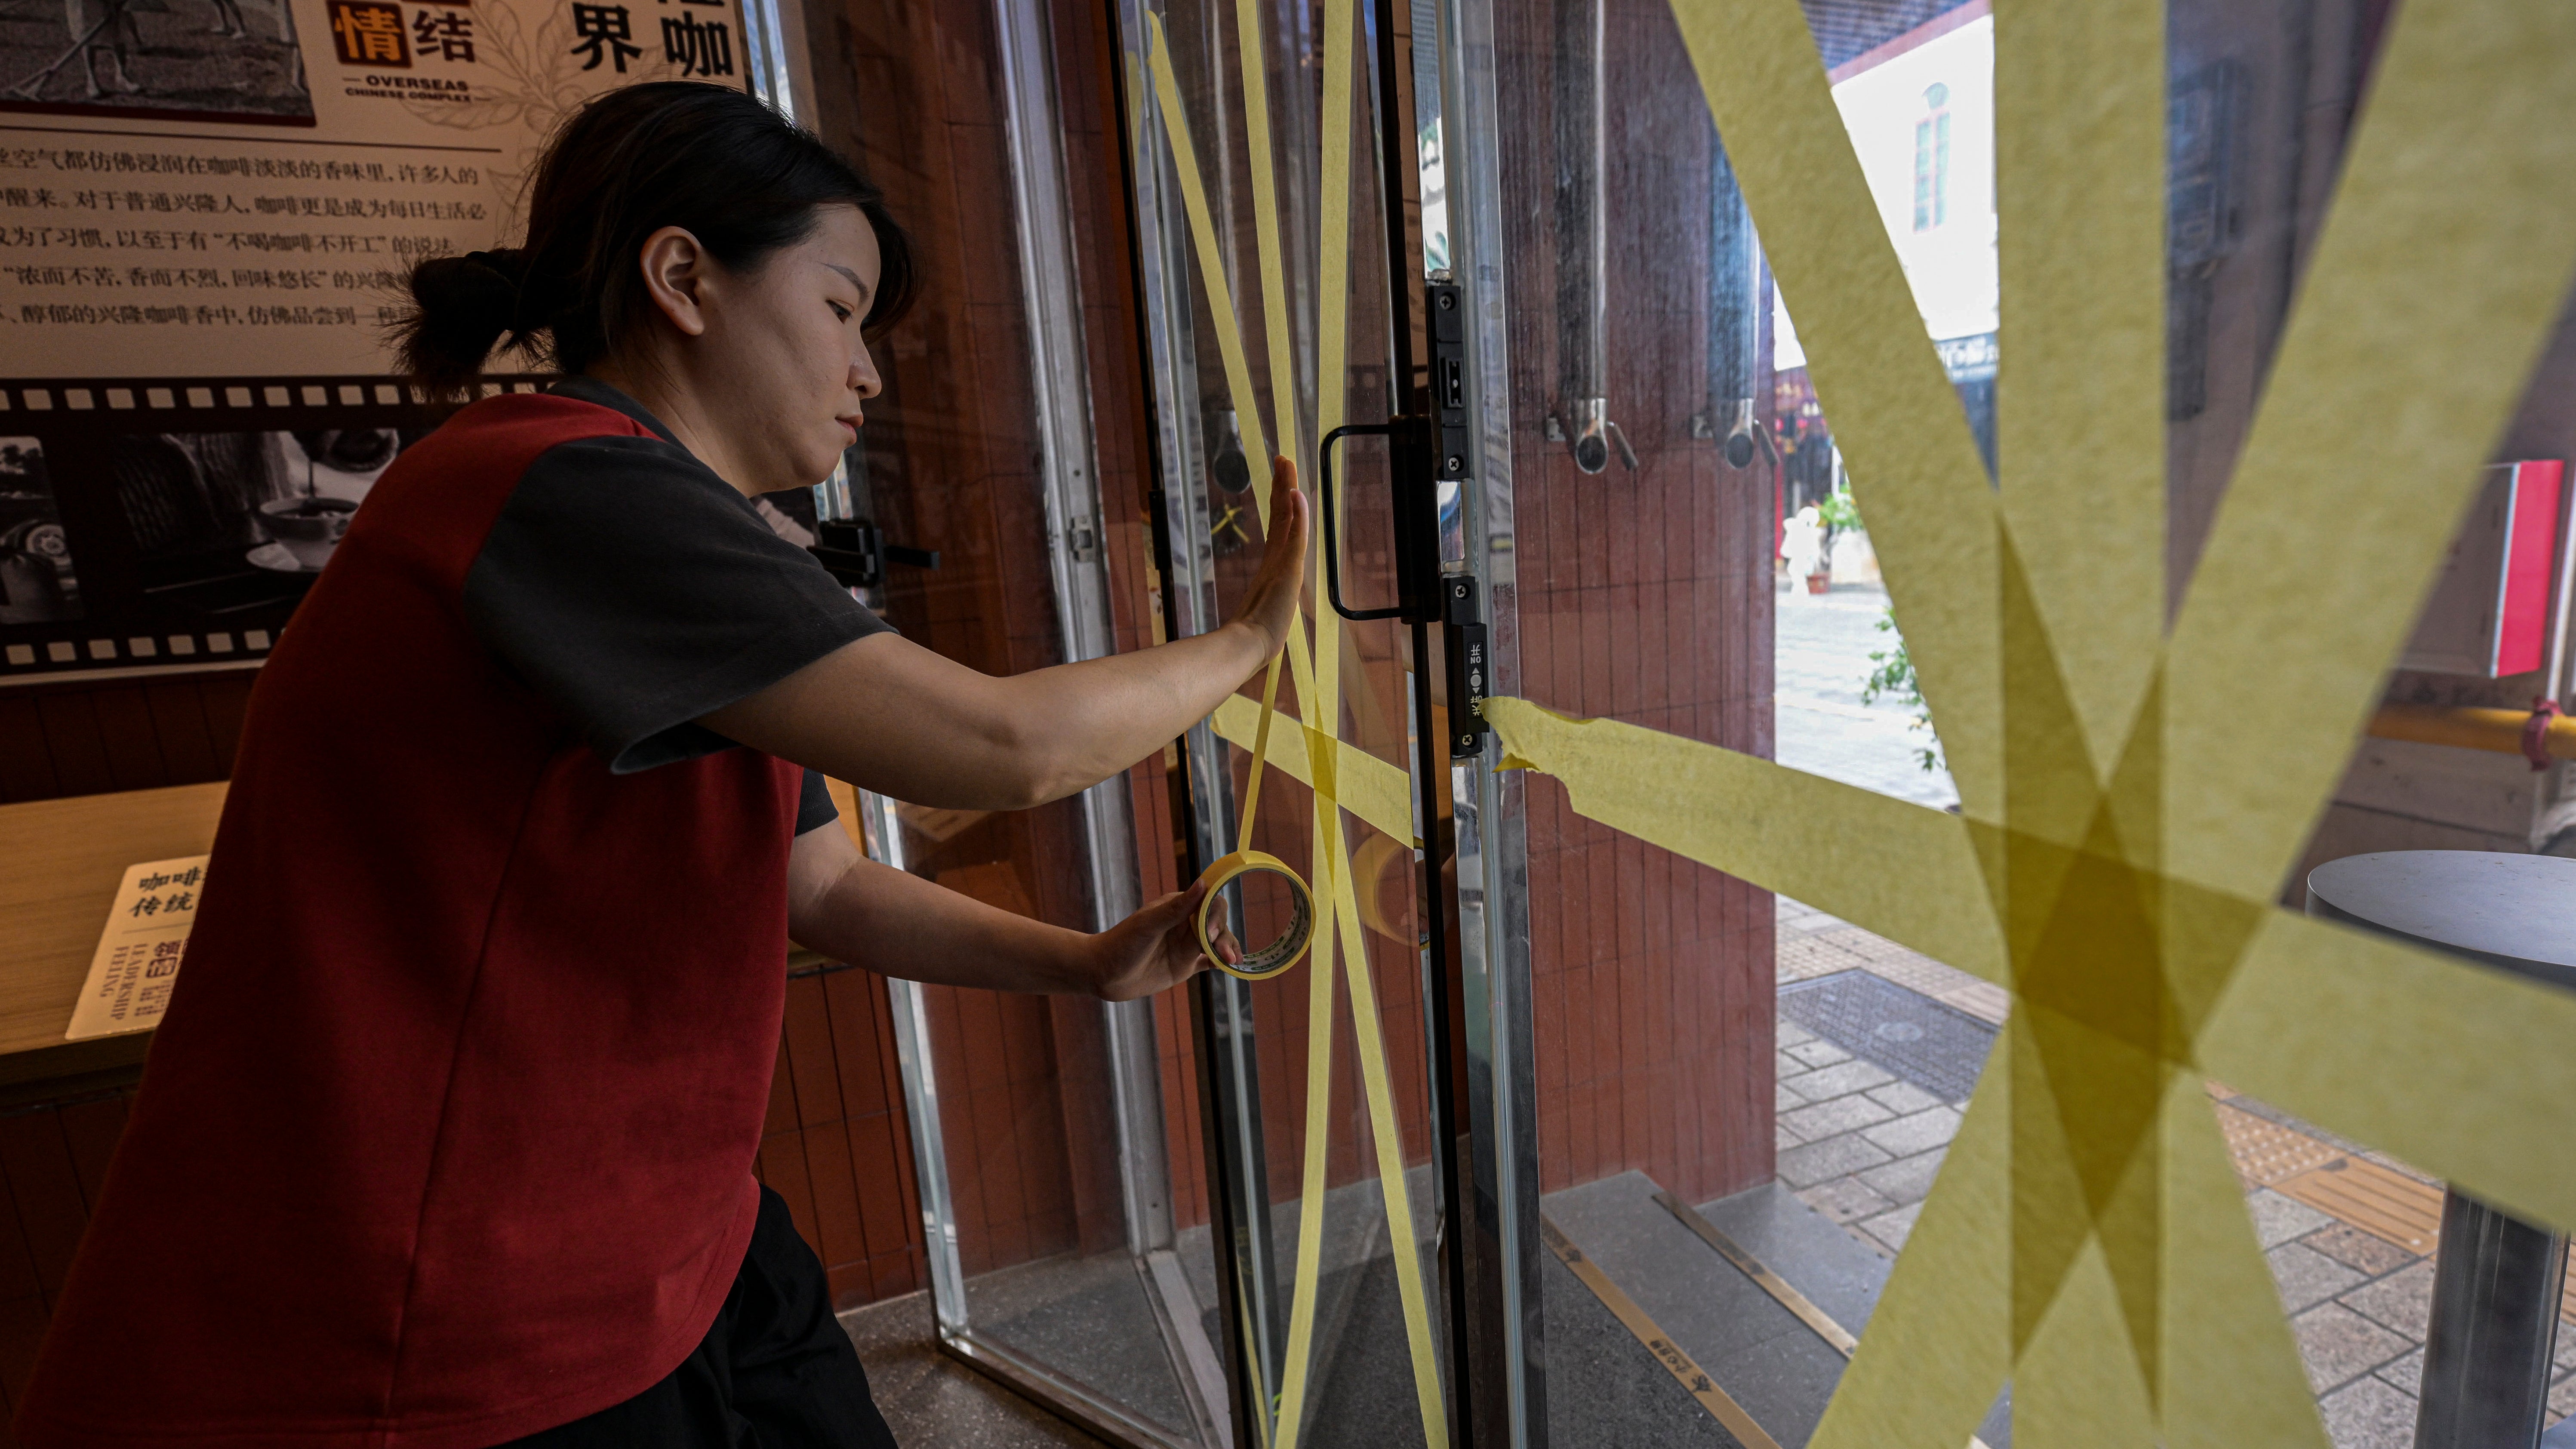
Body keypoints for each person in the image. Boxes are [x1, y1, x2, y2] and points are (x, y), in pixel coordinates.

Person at [15, 80, 1307, 1448]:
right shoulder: (556, 483)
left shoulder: (700, 533)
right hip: (476, 1290)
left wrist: (1086, 960)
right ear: (683, 276)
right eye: (840, 308)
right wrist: (1250, 636)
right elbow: (1011, 745)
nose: (870, 370)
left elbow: (823, 887)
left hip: (672, 1218)